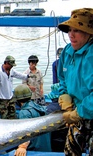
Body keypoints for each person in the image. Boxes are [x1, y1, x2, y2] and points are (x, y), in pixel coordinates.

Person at [57, 8, 93, 155]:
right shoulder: (67, 51)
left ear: (89, 33)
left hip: (85, 110)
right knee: (71, 150)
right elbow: (62, 78)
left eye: (77, 30)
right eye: (69, 30)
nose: (71, 35)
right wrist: (64, 96)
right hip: (76, 110)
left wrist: (78, 113)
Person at [14, 84, 52, 156]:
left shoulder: (24, 113)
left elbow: (25, 132)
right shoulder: (40, 108)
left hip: (34, 150)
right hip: (46, 148)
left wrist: (22, 147)